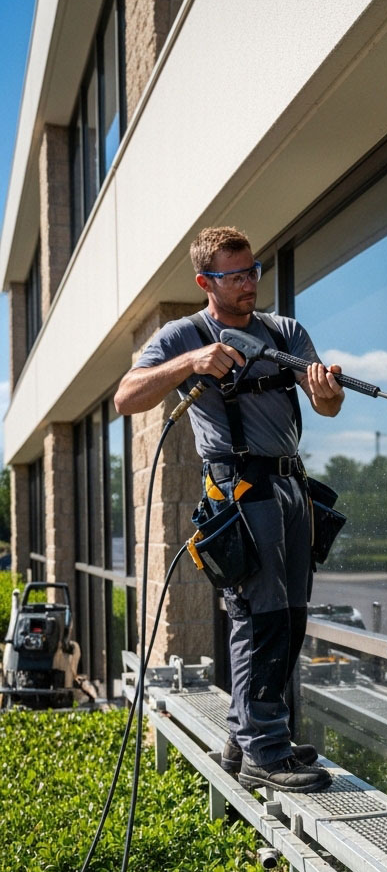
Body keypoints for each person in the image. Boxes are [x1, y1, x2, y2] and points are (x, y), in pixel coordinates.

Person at [115, 226, 344, 793]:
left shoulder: (284, 331)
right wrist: (191, 362)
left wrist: (327, 391)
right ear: (205, 282)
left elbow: (327, 406)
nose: (248, 284)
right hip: (239, 490)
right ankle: (266, 751)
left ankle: (248, 738)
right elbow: (126, 396)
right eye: (235, 276)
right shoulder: (184, 334)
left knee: (290, 616)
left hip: (292, 487)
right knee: (260, 616)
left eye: (252, 272)